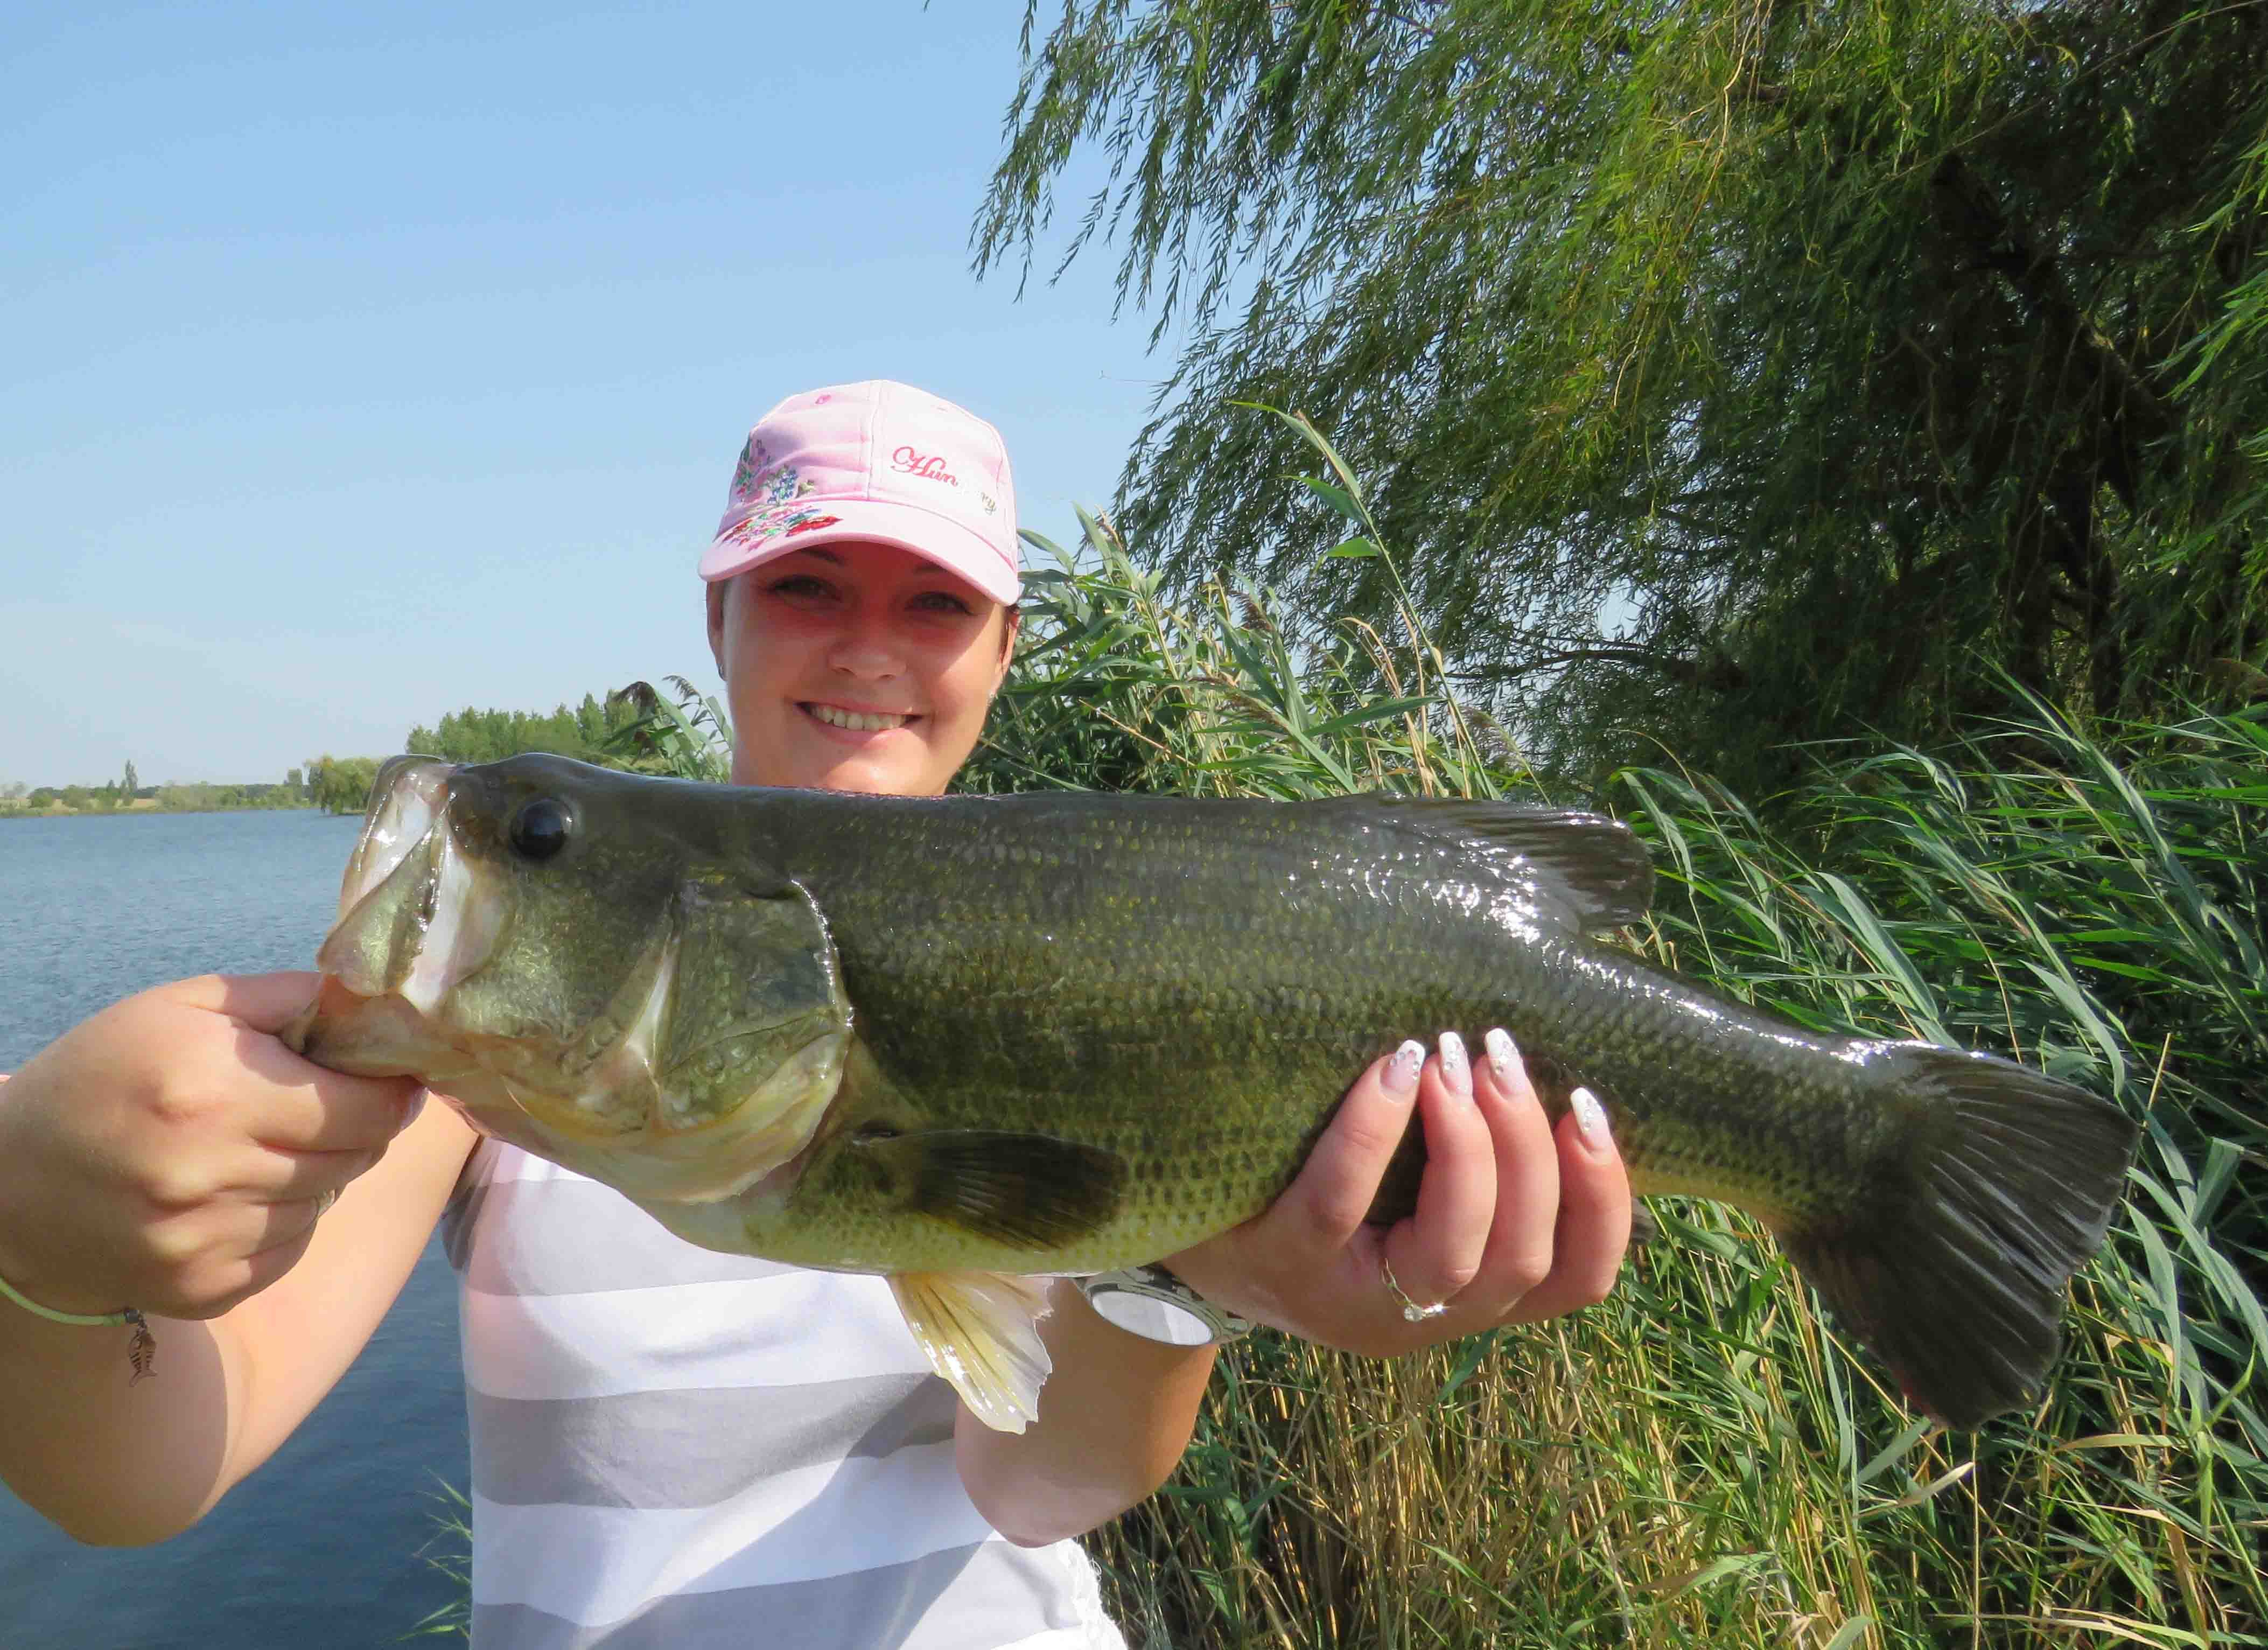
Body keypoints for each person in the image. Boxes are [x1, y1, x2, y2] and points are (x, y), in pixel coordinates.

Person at [0, 381, 1633, 1647]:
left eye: (934, 606)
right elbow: (135, 1477)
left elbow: (1042, 1480)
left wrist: (1198, 1283)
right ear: (717, 616)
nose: (868, 650)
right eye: (805, 587)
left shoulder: (1095, 960)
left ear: (1003, 648)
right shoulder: (489, 1048)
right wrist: (33, 1244)